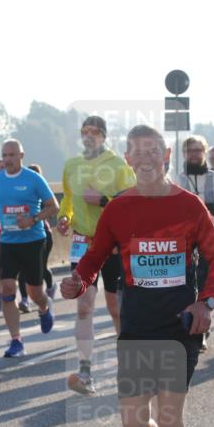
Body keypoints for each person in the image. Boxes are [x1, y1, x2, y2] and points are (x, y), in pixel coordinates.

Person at [61, 124, 214, 427]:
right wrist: (77, 281)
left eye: (155, 150)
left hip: (179, 326)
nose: (147, 157)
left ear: (166, 156)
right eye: (139, 151)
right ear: (129, 160)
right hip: (137, 325)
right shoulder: (118, 208)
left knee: (170, 416)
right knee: (135, 422)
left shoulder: (189, 206)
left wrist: (205, 302)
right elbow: (95, 258)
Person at [56, 115, 135, 395]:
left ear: (103, 136)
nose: (89, 136)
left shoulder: (118, 166)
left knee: (116, 309)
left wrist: (102, 200)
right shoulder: (72, 165)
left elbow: (133, 202)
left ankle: (128, 366)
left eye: (95, 132)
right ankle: (85, 370)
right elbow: (67, 197)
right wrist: (65, 217)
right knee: (84, 306)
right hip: (83, 244)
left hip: (112, 246)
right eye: (85, 131)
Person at [0, 139, 58, 357]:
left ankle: (45, 308)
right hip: (8, 241)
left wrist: (33, 219)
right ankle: (16, 340)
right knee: (7, 288)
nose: (7, 159)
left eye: (12, 155)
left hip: (33, 241)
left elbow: (53, 206)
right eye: (4, 155)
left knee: (35, 291)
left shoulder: (33, 179)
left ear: (21, 156)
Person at [178, 136, 214, 351]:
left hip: (211, 239)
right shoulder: (178, 179)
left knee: (205, 285)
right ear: (184, 154)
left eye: (198, 150)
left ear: (204, 152)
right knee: (189, 287)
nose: (194, 154)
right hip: (185, 243)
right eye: (190, 150)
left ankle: (202, 330)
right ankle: (194, 326)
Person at [17, 163, 56, 311]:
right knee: (22, 270)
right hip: (22, 235)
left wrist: (35, 217)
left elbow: (53, 211)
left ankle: (50, 287)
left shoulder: (43, 193)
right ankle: (25, 300)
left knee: (41, 268)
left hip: (43, 234)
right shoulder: (20, 192)